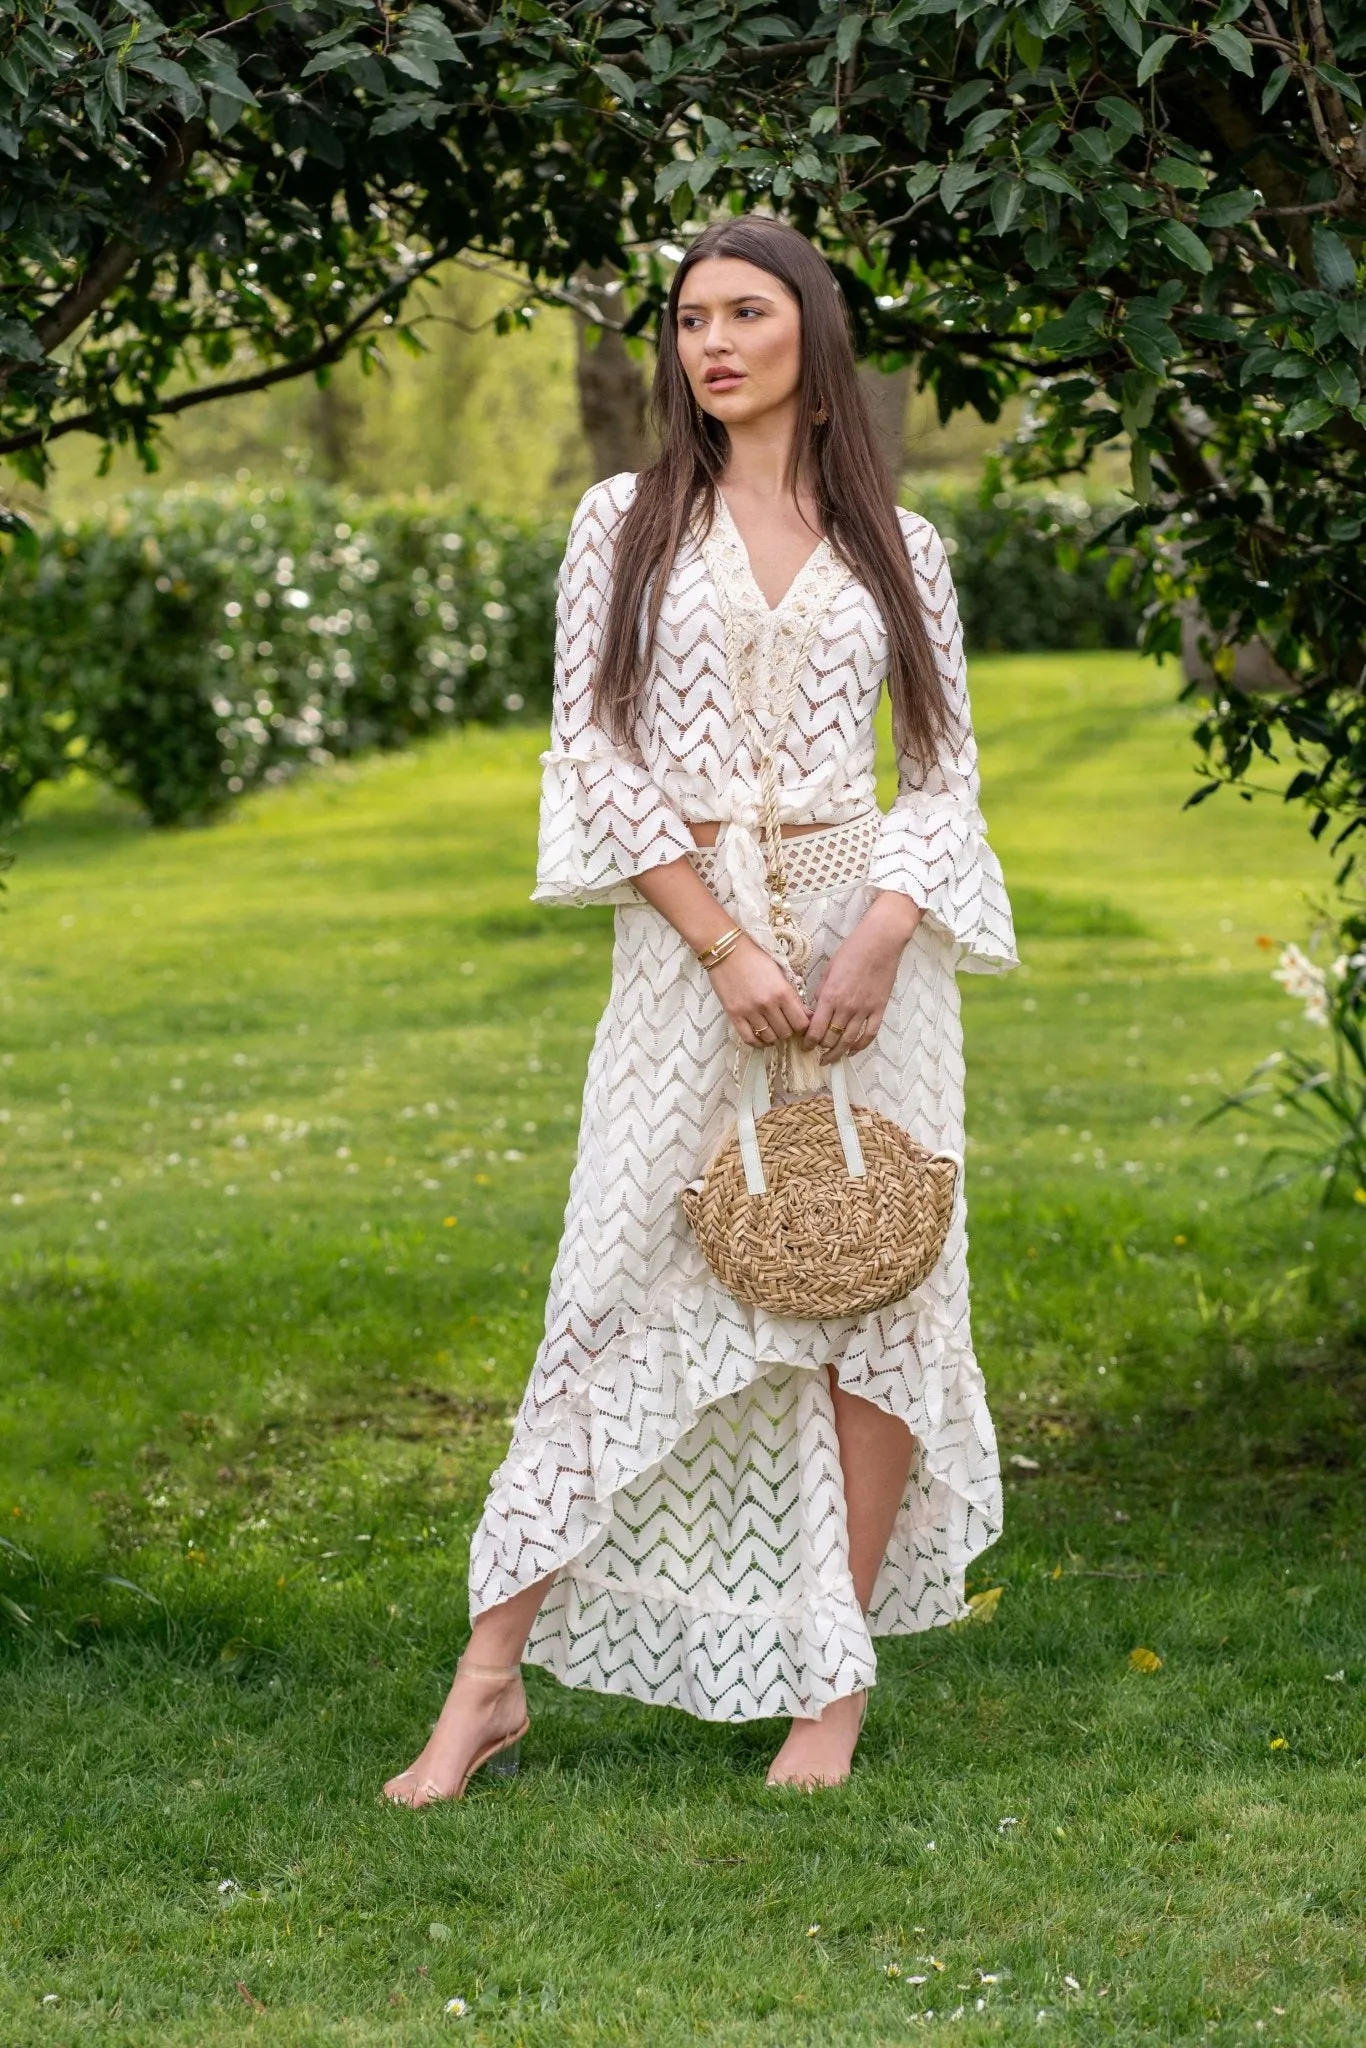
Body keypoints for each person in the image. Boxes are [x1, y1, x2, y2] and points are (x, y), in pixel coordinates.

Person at [384, 215, 1017, 1805]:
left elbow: (943, 775)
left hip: (872, 955)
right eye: (686, 321)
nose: (709, 344)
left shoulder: (901, 547)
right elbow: (590, 754)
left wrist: (877, 937)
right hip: (690, 955)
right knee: (614, 1281)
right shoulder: (625, 520)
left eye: (743, 313)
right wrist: (724, 944)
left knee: (873, 1283)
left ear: (810, 333)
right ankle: (485, 1682)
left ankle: (832, 1689)